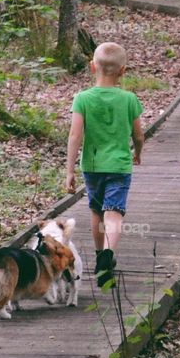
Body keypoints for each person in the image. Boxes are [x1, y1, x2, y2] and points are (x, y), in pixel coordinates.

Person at [66, 41, 145, 288]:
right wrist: (138, 152)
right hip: (119, 165)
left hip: (92, 165)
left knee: (96, 211)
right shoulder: (129, 99)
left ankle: (100, 255)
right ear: (123, 71)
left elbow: (75, 136)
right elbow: (139, 134)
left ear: (92, 67)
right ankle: (109, 255)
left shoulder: (82, 98)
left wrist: (69, 169)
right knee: (114, 213)